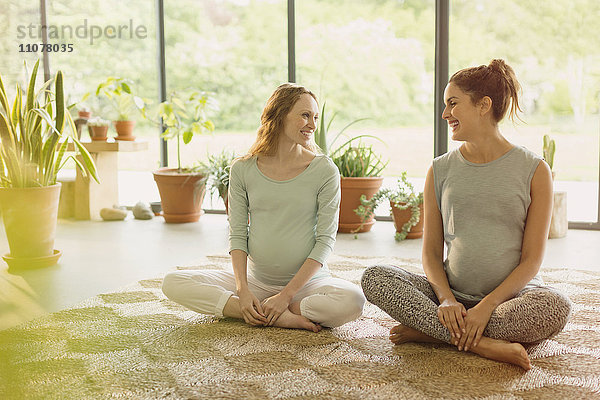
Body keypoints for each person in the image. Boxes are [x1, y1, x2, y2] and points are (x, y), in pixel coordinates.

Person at [361, 59, 572, 370]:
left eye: (453, 103)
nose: (445, 113)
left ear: (483, 105)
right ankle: (483, 344)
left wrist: (486, 307)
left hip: (509, 302)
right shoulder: (439, 169)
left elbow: (532, 261)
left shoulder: (535, 170)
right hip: (449, 298)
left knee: (556, 307)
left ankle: (435, 334)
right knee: (375, 278)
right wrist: (446, 299)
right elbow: (431, 253)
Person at [162, 83, 365, 331]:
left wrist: (287, 296)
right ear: (279, 115)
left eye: (315, 117)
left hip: (307, 286)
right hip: (256, 281)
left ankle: (272, 310)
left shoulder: (324, 170)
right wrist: (242, 290)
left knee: (353, 300)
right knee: (172, 282)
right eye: (304, 115)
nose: (312, 124)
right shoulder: (243, 168)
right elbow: (237, 234)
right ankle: (264, 312)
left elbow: (325, 241)